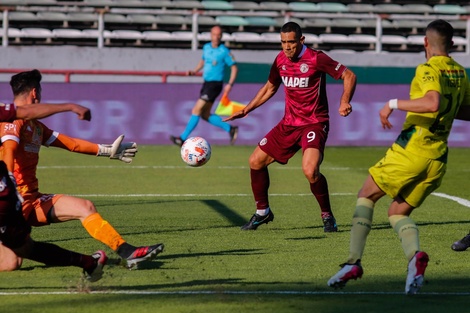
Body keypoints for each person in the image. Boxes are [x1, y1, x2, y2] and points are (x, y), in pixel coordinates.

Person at [327, 19, 470, 295]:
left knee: (366, 194)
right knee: (397, 211)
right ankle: (415, 258)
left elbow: (432, 103)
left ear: (426, 43)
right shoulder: (461, 73)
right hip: (438, 158)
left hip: (412, 149)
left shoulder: (428, 68)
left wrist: (391, 104)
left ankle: (353, 263)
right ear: (452, 44)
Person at [0, 69, 164, 272]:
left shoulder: (37, 127)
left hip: (32, 201)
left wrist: (107, 151)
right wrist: (7, 180)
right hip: (9, 204)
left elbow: (71, 144)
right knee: (11, 263)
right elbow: (9, 149)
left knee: (84, 207)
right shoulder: (13, 123)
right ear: (35, 93)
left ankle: (126, 251)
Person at [224, 22, 357, 232]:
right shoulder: (280, 60)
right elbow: (270, 87)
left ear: (301, 41)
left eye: (291, 42)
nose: (287, 47)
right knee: (255, 161)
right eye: (283, 42)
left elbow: (349, 75)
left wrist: (344, 101)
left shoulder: (316, 58)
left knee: (310, 170)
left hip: (314, 122)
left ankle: (327, 215)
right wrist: (247, 108)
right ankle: (262, 212)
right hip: (289, 123)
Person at [0, 97, 107, 281]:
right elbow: (26, 113)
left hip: (5, 195)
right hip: (5, 193)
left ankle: (88, 262)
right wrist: (71, 105)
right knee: (18, 256)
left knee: (16, 257)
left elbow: (26, 114)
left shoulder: (26, 124)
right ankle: (88, 262)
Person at [170, 25, 239, 146]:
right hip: (206, 84)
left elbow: (234, 68)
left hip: (215, 85)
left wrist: (230, 84)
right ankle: (230, 129)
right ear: (210, 35)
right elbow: (203, 60)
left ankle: (182, 138)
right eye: (214, 34)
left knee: (196, 110)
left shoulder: (224, 51)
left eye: (218, 35)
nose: (216, 37)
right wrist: (195, 71)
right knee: (205, 115)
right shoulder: (206, 48)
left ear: (221, 36)